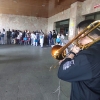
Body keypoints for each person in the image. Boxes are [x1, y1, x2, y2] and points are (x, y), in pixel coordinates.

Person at [58, 19, 100, 100]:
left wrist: (72, 53)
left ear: (83, 34)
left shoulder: (89, 55)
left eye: (78, 34)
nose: (78, 37)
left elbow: (62, 73)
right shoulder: (93, 49)